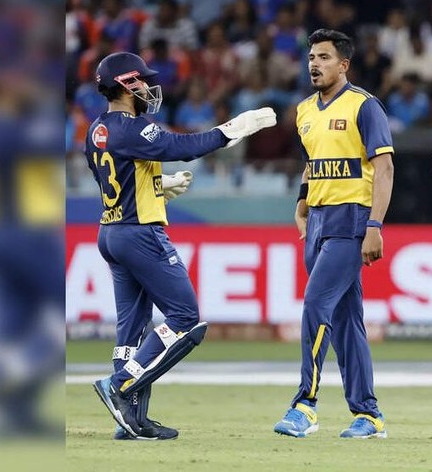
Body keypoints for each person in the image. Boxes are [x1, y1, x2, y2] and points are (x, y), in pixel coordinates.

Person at [87, 52, 276, 440]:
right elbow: (182, 146)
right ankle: (120, 386)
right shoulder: (132, 128)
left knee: (131, 332)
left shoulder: (97, 129)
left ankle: (131, 421)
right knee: (186, 318)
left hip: (112, 231)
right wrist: (232, 129)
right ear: (124, 84)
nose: (146, 87)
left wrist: (157, 187)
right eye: (140, 81)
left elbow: (119, 176)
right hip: (140, 233)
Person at [273, 29, 394, 439]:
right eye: (311, 57)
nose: (314, 64)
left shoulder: (364, 105)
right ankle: (369, 414)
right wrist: (302, 201)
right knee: (346, 321)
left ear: (343, 65)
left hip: (351, 220)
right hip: (319, 221)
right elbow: (313, 161)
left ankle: (304, 404)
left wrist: (374, 225)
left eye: (323, 57)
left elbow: (384, 169)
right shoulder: (305, 110)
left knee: (315, 305)